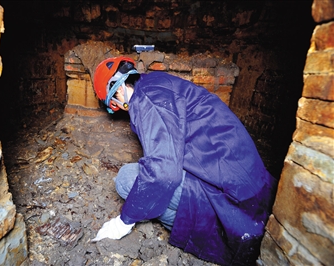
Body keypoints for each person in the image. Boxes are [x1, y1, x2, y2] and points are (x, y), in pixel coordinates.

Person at [90, 56, 277, 266]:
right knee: (149, 181)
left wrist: (123, 222)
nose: (120, 109)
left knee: (126, 179)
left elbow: (163, 173)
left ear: (117, 93)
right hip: (249, 184)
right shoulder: (156, 82)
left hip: (232, 198)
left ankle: (206, 229)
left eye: (114, 105)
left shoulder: (145, 101)